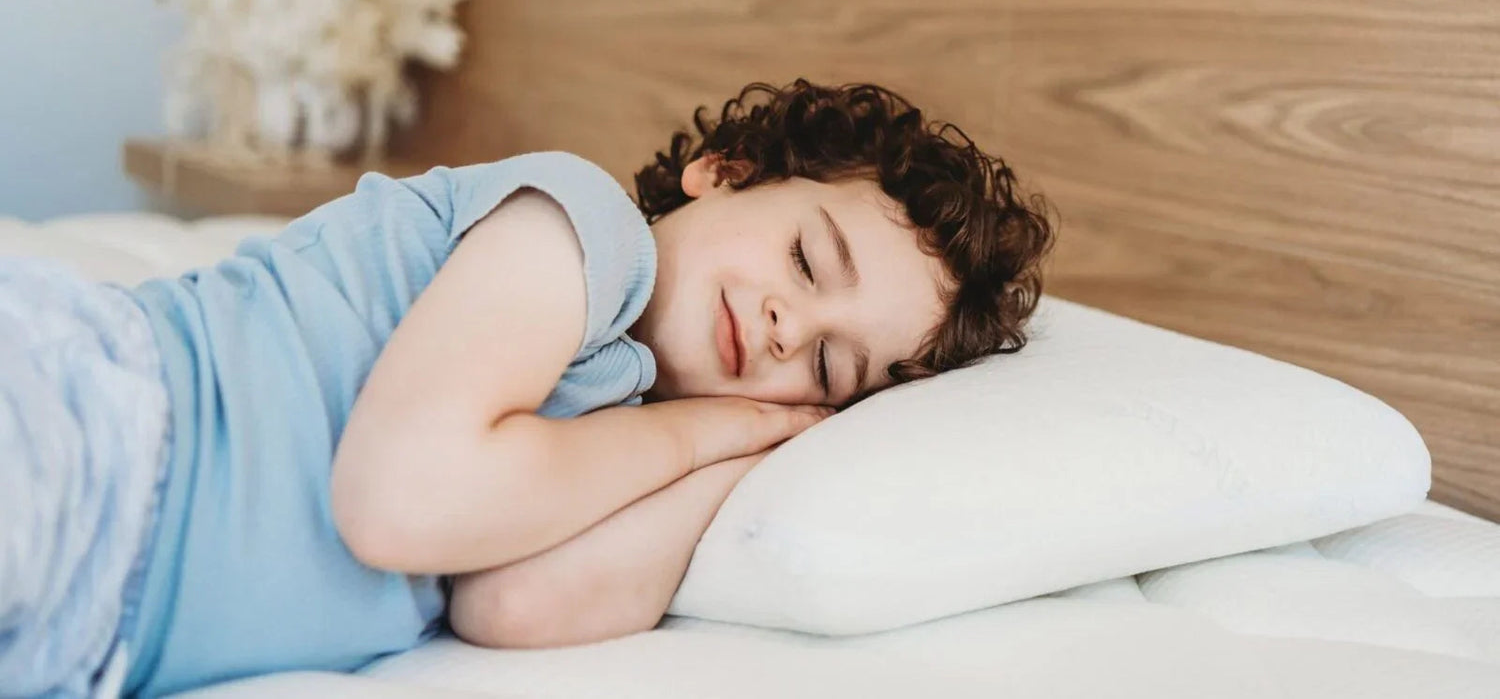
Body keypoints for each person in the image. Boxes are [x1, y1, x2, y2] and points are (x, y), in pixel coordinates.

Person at [0, 78, 1054, 698]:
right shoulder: (579, 226)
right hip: (93, 427)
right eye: (807, 262)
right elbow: (398, 502)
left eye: (827, 366)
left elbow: (519, 605)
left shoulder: (605, 433)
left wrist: (748, 441)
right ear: (723, 171)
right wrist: (696, 439)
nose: (788, 326)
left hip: (90, 628)